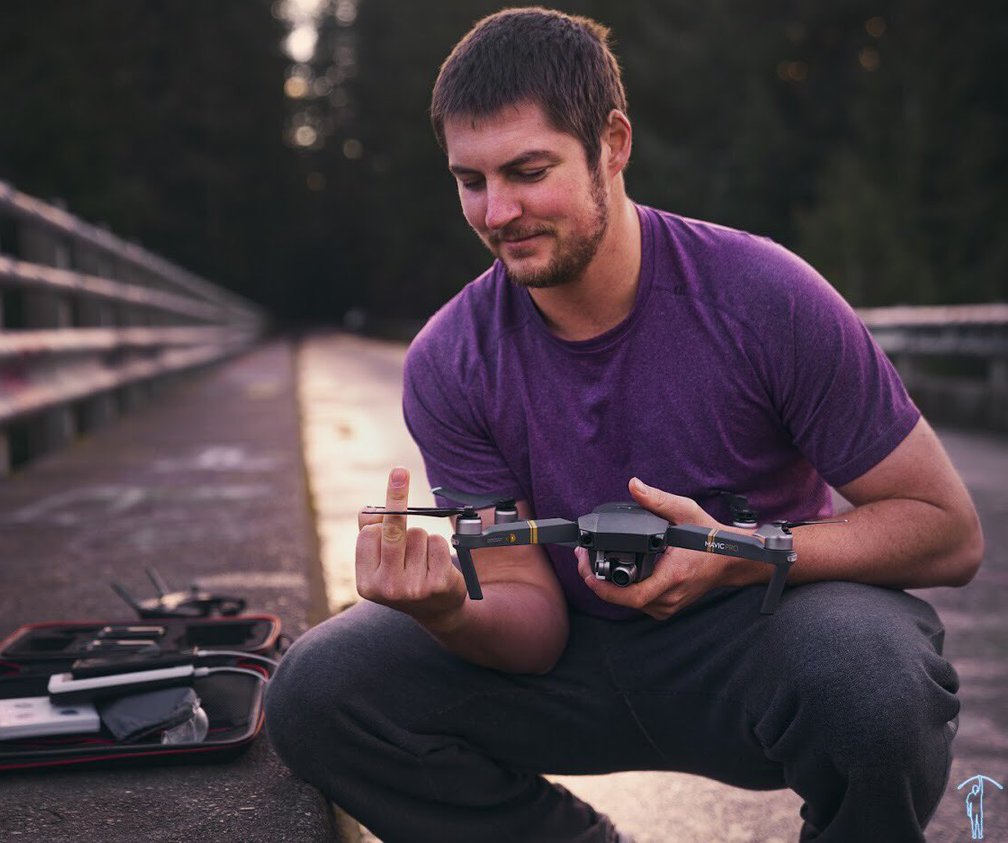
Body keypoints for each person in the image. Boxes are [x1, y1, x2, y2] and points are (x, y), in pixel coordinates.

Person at [265, 8, 984, 842]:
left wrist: (743, 556)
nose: (498, 212)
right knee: (317, 690)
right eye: (470, 180)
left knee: (876, 680)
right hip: (573, 666)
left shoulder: (764, 296)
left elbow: (948, 533)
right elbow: (530, 623)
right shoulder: (449, 359)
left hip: (759, 641)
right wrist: (447, 611)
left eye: (529, 170)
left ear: (613, 144)